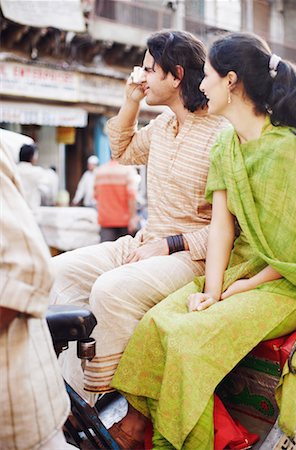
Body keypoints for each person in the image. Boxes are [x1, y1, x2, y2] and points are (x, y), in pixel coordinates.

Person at [111, 32, 296, 449]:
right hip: (241, 266)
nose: (200, 84)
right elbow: (221, 228)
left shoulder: (286, 150)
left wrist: (244, 287)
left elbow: (294, 256)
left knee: (187, 342)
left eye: (208, 76)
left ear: (230, 82)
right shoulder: (226, 144)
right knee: (154, 325)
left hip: (285, 282)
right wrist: (212, 291)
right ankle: (136, 427)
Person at [49, 30, 227, 406]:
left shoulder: (221, 134)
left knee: (110, 289)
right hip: (145, 241)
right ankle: (64, 404)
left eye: (149, 69)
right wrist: (131, 101)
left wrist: (171, 244)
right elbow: (123, 151)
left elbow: (234, 225)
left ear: (176, 76)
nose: (140, 76)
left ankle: (103, 399)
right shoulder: (161, 126)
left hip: (190, 257)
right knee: (58, 272)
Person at [0, 144, 73, 449]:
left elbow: (26, 269)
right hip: (33, 224)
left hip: (14, 414)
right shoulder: (41, 174)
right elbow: (54, 190)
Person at [94, 159, 140, 242]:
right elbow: (132, 196)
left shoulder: (99, 171)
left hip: (105, 221)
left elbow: (95, 196)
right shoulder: (128, 170)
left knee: (106, 253)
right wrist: (133, 218)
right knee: (124, 253)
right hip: (124, 222)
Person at [17, 143, 52, 212]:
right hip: (31, 210)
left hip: (15, 210)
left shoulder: (13, 169)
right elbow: (46, 190)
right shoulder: (37, 172)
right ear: (32, 157)